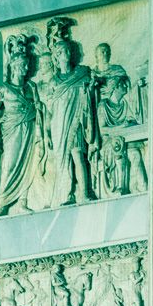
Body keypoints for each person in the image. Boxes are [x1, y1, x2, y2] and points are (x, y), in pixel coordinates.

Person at [40, 17, 101, 206]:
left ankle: (85, 192)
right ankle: (67, 195)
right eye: (60, 51)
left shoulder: (82, 72)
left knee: (77, 154)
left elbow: (89, 93)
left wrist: (91, 88)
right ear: (56, 57)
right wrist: (47, 133)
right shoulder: (54, 82)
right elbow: (49, 111)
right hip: (59, 126)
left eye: (67, 50)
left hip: (76, 122)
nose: (64, 53)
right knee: (62, 160)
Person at [0, 34, 41, 216]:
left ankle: (23, 202)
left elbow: (38, 106)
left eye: (27, 65)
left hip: (30, 129)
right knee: (9, 164)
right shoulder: (3, 89)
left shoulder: (31, 87)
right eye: (22, 65)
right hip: (12, 131)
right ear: (13, 66)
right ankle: (2, 203)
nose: (26, 68)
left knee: (30, 163)